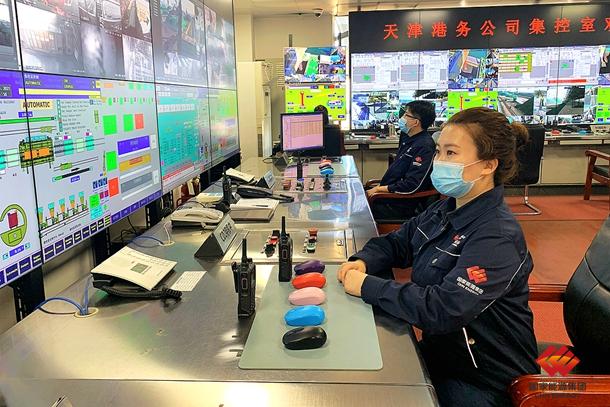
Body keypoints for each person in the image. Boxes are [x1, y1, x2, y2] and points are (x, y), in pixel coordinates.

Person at [338, 107, 539, 407]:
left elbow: (444, 309)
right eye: (439, 152)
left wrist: (367, 286)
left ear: (487, 165)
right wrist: (363, 260)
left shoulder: (497, 236)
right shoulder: (447, 208)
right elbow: (398, 243)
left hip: (484, 378)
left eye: (451, 153)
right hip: (443, 354)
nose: (439, 162)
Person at [367, 101, 437, 220]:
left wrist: (379, 189)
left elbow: (412, 185)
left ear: (416, 122)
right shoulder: (408, 138)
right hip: (387, 196)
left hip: (399, 204)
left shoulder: (424, 146)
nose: (402, 118)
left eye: (406, 115)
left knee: (355, 209)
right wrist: (380, 187)